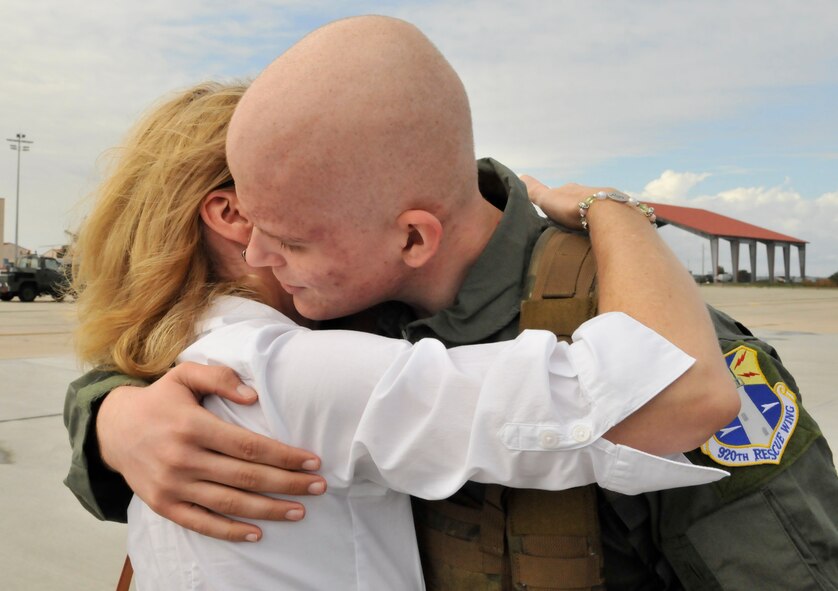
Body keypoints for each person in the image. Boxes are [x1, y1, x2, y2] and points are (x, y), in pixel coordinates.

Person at [68, 15, 838, 590]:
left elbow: (783, 565)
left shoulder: (633, 326)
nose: (264, 256)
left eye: (292, 238)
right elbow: (188, 361)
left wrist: (617, 213)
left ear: (412, 237)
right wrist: (112, 418)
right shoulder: (335, 307)